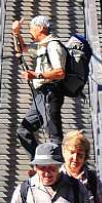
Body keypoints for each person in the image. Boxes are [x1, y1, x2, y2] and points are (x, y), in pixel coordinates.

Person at [11, 15, 67, 158]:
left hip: (51, 93)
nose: (30, 32)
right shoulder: (41, 45)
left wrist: (36, 75)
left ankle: (59, 168)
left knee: (54, 136)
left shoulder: (53, 45)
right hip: (41, 95)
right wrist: (16, 33)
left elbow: (60, 72)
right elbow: (21, 50)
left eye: (31, 29)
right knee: (24, 131)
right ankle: (40, 162)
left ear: (40, 28)